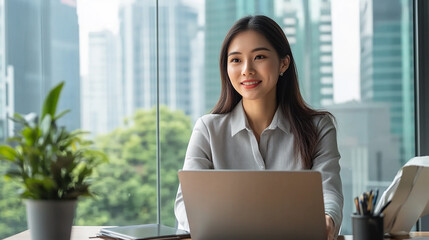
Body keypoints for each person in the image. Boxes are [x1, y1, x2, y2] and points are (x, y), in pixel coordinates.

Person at [174, 15, 343, 240]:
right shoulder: (207, 129)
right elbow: (187, 205)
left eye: (259, 57)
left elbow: (328, 191)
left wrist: (327, 219)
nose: (247, 70)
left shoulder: (319, 128)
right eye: (235, 60)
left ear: (283, 63)